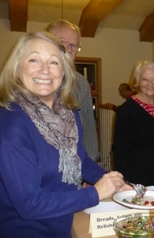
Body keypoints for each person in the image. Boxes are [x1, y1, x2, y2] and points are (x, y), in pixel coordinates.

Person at [0, 32, 128, 238]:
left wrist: (117, 182)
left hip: (58, 235)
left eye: (53, 62)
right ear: (17, 68)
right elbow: (29, 203)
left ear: (64, 71)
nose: (44, 70)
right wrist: (95, 193)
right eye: (34, 60)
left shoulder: (67, 115)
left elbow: (81, 160)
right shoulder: (10, 123)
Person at [45, 19, 100, 162]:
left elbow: (88, 127)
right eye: (63, 42)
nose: (69, 49)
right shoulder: (26, 78)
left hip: (72, 166)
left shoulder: (81, 83)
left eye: (74, 46)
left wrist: (90, 166)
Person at [113, 61, 154, 186]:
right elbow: (119, 150)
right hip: (137, 176)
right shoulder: (126, 110)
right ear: (137, 82)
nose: (150, 84)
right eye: (145, 79)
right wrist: (124, 181)